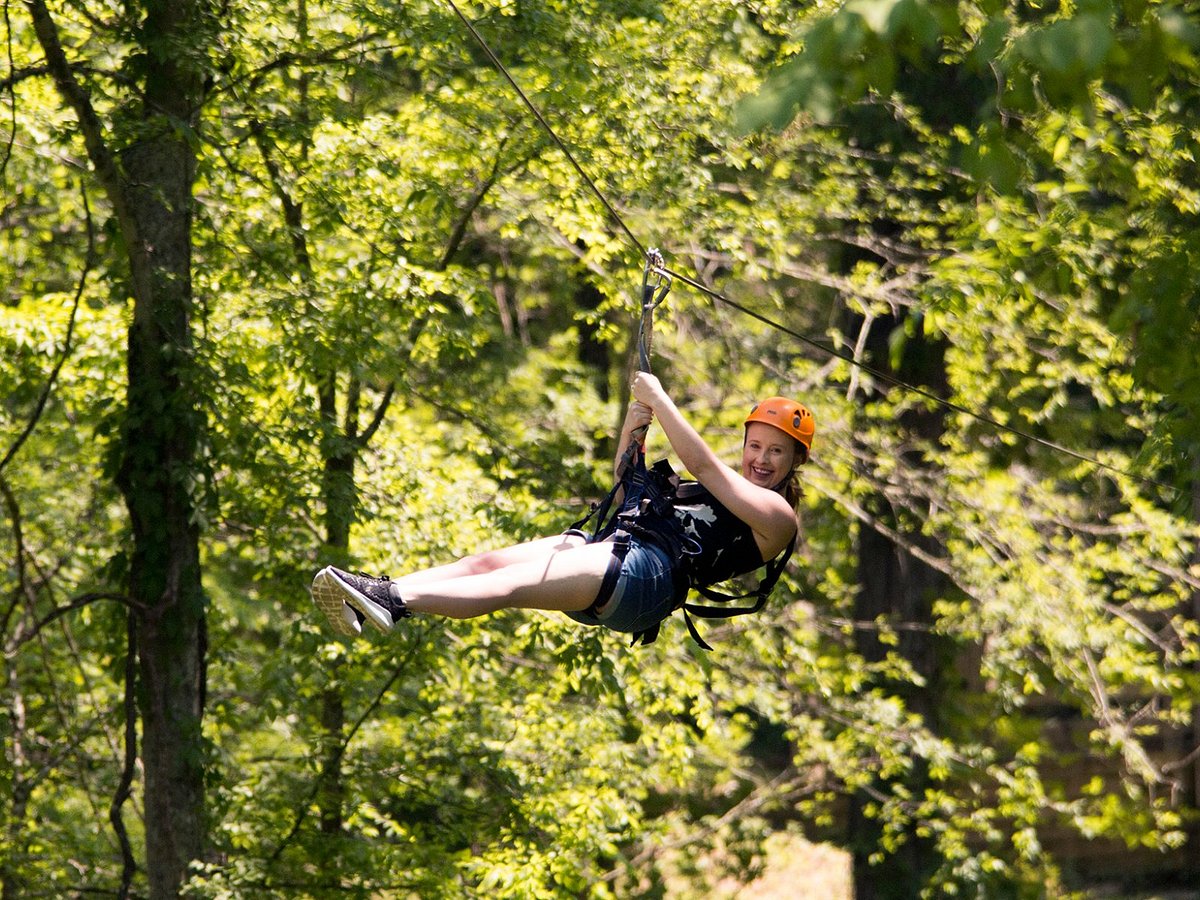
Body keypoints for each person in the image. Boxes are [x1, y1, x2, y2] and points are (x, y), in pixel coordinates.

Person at [310, 372, 814, 643]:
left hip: (646, 579)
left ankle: (393, 599)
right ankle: (379, 593)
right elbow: (625, 487)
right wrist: (634, 423)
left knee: (511, 587)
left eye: (777, 452)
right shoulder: (713, 492)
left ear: (794, 462)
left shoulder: (777, 518)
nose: (762, 460)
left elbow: (705, 467)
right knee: (490, 564)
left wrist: (660, 400)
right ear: (744, 445)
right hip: (620, 554)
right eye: (756, 446)